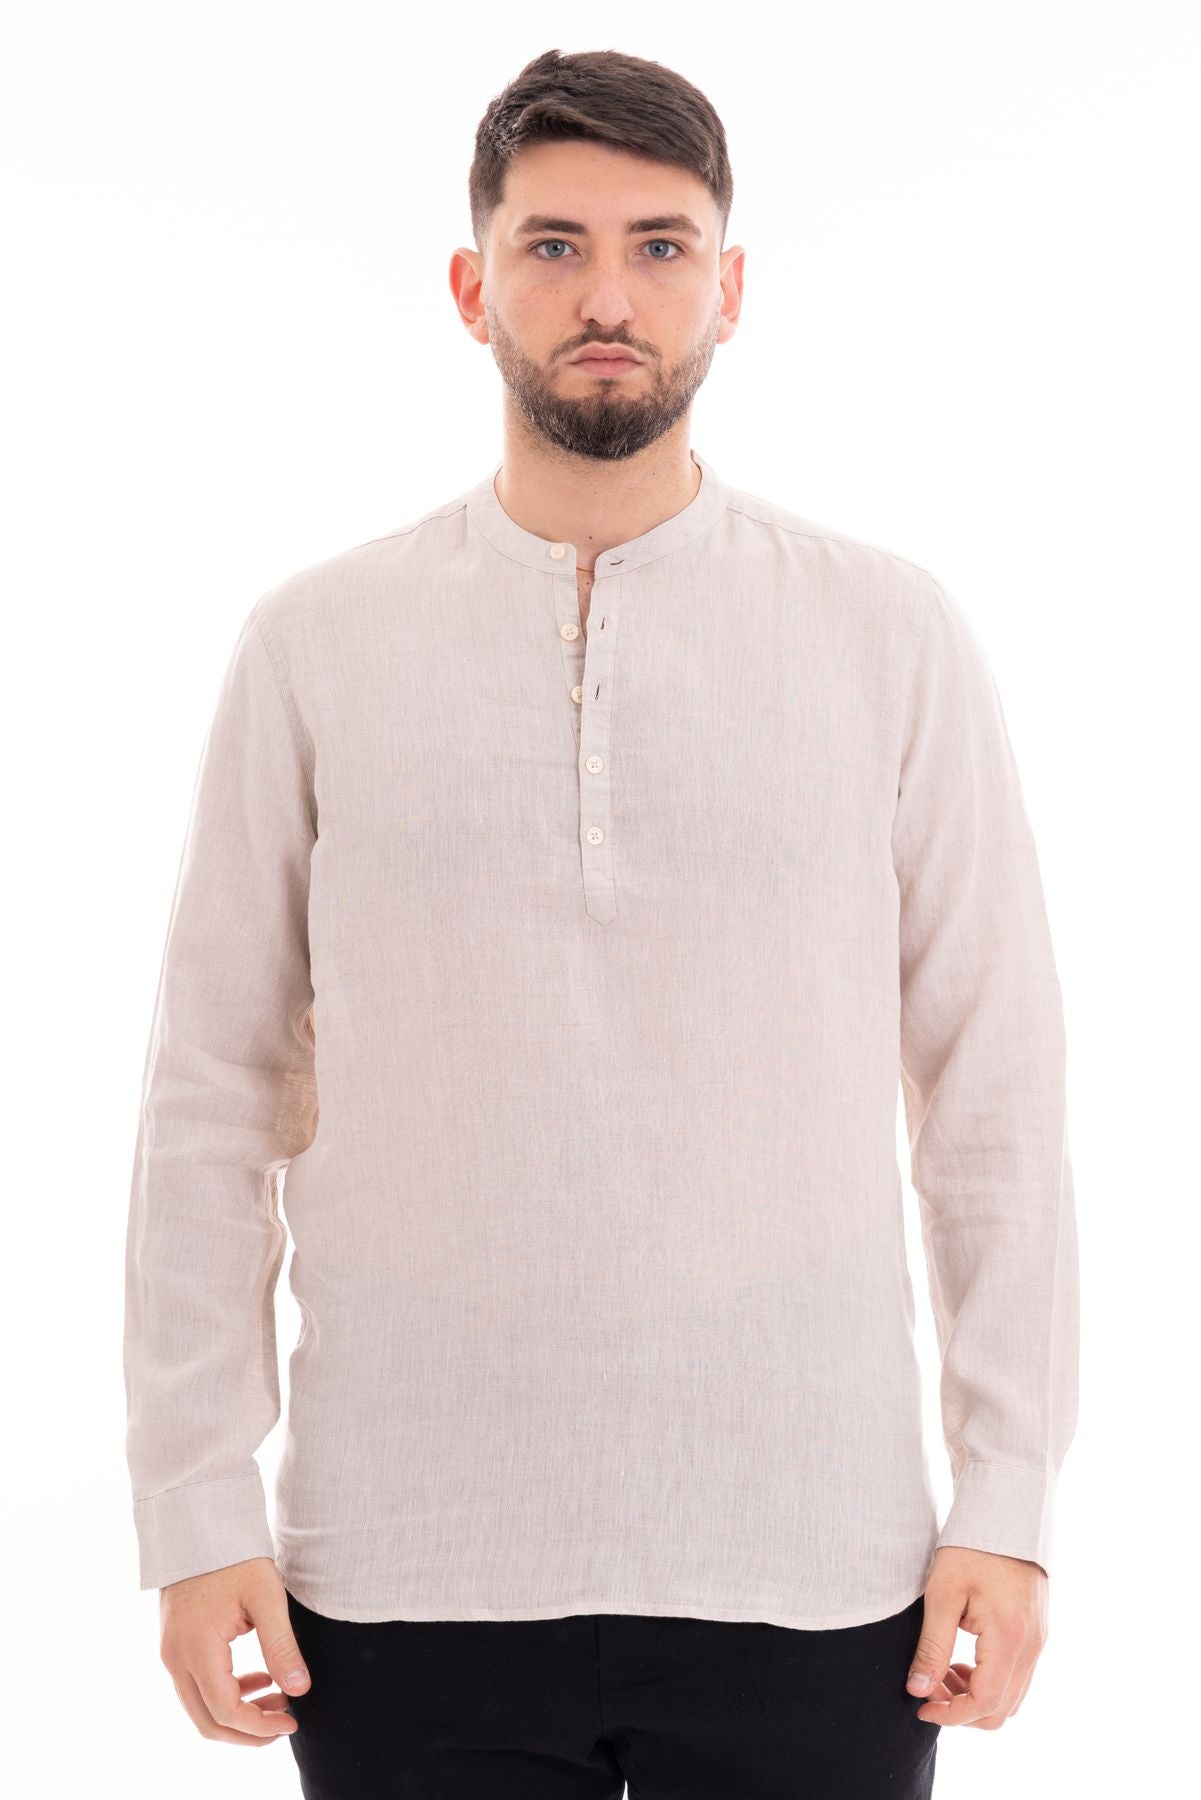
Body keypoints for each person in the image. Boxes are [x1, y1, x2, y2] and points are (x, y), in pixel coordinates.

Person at [123, 45, 1079, 1800]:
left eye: (659, 246)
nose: (608, 298)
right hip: (399, 1569)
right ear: (472, 285)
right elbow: (212, 1097)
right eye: (553, 246)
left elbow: (990, 1095)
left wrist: (1005, 1504)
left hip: (815, 1564)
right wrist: (194, 1511)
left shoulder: (887, 635)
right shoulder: (315, 644)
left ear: (729, 286)